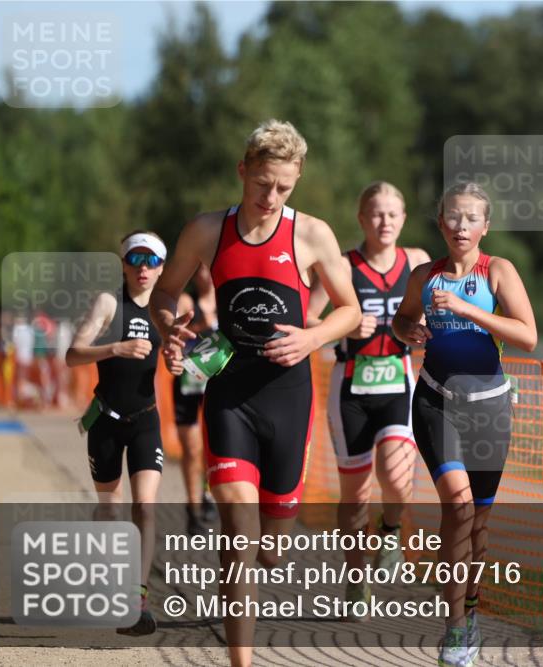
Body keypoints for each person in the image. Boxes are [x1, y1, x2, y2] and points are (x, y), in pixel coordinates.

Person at [149, 119, 360, 667]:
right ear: (242, 171)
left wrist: (312, 336)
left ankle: (272, 543)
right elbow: (166, 292)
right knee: (238, 530)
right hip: (231, 393)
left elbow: (351, 310)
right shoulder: (205, 231)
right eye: (262, 183)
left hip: (288, 399)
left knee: (270, 548)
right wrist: (171, 326)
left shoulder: (312, 234)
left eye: (284, 188)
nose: (271, 197)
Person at [392, 181, 537, 667]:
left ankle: (469, 606)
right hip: (437, 401)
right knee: (456, 504)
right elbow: (402, 321)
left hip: (490, 409)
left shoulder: (498, 271)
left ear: (485, 227)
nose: (461, 226)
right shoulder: (423, 276)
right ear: (441, 223)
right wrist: (407, 330)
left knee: (480, 523)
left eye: (471, 218)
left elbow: (528, 335)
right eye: (453, 217)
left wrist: (469, 310)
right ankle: (455, 628)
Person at [307, 181, 430, 620]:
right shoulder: (342, 264)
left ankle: (392, 530)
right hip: (351, 389)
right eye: (376, 214)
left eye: (393, 214)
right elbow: (308, 316)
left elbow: (440, 303)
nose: (385, 222)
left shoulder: (416, 262)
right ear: (362, 219)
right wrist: (344, 325)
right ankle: (357, 578)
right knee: (355, 495)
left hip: (398, 381)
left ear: (403, 220)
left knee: (398, 477)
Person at [66, 230, 183, 636]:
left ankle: (138, 599)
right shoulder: (108, 302)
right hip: (106, 421)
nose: (144, 269)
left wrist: (178, 362)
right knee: (110, 510)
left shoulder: (166, 307)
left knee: (145, 507)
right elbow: (71, 355)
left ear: (163, 267)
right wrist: (115, 347)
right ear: (123, 264)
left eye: (152, 261)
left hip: (147, 420)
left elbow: (174, 358)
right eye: (136, 259)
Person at [171, 264, 219, 536]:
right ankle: (193, 508)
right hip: (190, 377)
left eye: (209, 266)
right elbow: (176, 332)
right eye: (199, 268)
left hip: (219, 380)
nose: (205, 274)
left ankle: (209, 494)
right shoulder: (188, 301)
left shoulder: (228, 297)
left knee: (216, 442)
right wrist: (204, 325)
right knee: (191, 446)